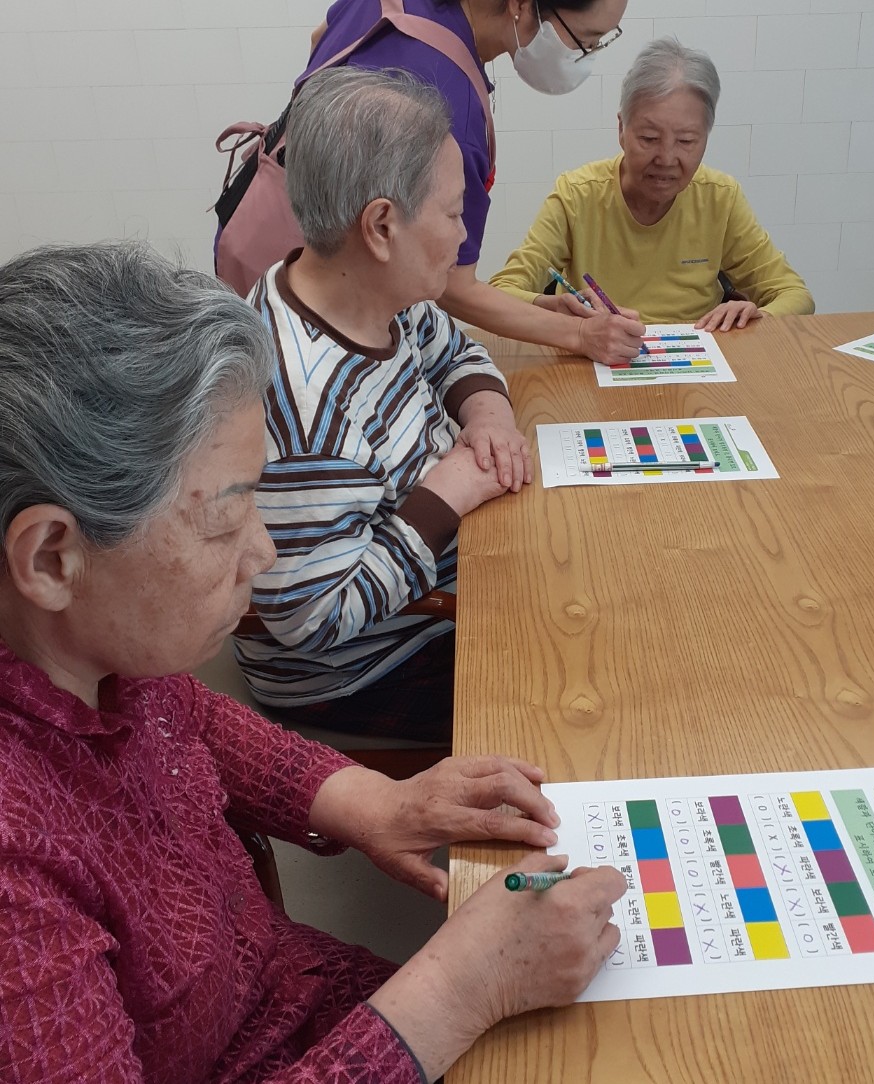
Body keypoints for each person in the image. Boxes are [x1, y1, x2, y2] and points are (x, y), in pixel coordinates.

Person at [0, 240, 626, 1083]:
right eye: (225, 521)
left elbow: (194, 719)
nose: (263, 551)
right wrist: (459, 988)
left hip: (298, 998)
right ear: (49, 558)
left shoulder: (98, 652)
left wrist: (376, 803)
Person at [235, 68, 526, 741]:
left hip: (441, 582)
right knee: (571, 684)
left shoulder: (373, 295)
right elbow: (315, 622)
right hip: (359, 670)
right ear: (381, 226)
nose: (464, 236)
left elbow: (455, 351)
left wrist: (487, 414)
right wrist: (447, 492)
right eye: (453, 213)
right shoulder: (307, 413)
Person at [286, 0, 646, 365]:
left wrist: (542, 308)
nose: (586, 57)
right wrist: (578, 333)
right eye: (585, 40)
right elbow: (453, 287)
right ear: (521, 5)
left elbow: (321, 37)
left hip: (294, 269)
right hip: (337, 328)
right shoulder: (449, 111)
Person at [490, 37, 815, 332]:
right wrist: (555, 310)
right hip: (596, 359)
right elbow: (501, 293)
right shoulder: (577, 195)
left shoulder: (720, 198)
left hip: (694, 362)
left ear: (706, 137)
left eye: (686, 141)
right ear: (622, 129)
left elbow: (795, 294)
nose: (666, 158)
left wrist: (758, 316)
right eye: (649, 138)